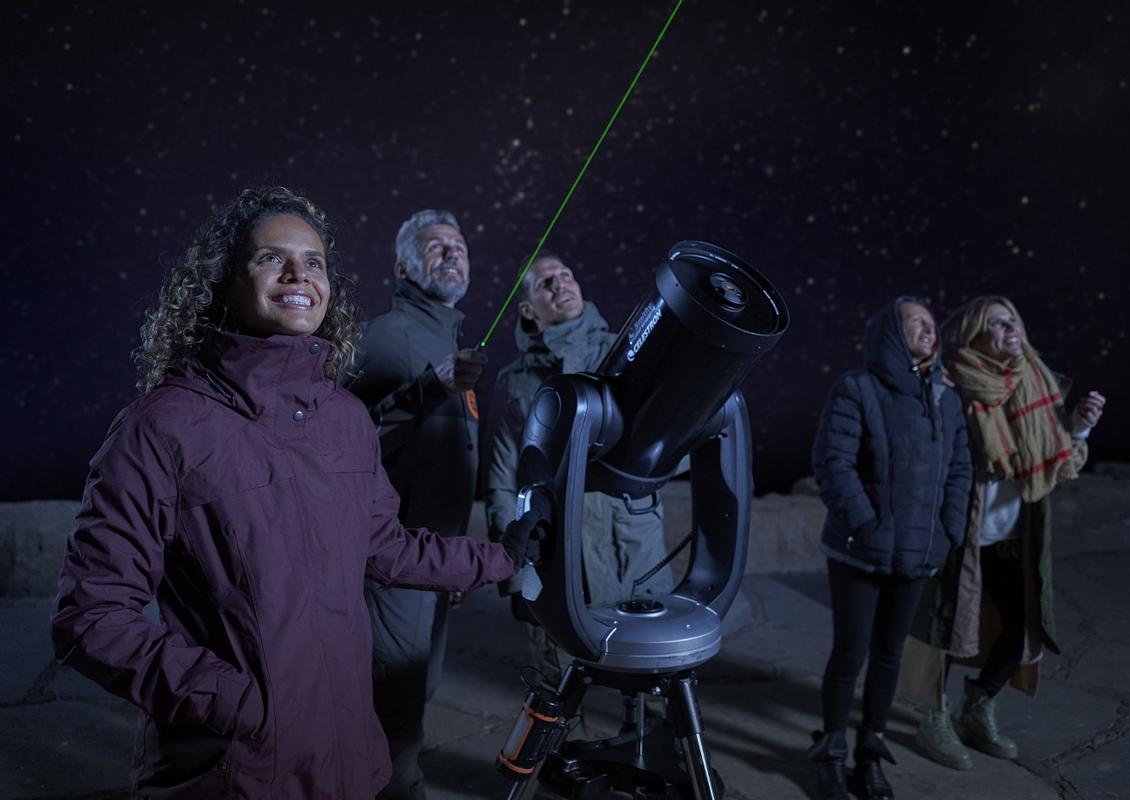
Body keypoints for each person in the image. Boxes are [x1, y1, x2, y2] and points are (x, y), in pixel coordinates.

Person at [50, 187, 542, 799]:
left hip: (347, 757)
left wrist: (503, 556)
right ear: (223, 281)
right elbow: (91, 617)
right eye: (269, 259)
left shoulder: (342, 418)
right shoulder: (164, 426)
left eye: (314, 261)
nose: (297, 274)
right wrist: (239, 704)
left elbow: (386, 548)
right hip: (236, 769)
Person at [907, 295, 1106, 771]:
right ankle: (933, 716)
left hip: (1014, 529)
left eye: (1013, 321)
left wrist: (1078, 427)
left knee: (1022, 624)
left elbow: (1054, 454)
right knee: (946, 625)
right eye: (997, 324)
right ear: (976, 335)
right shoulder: (951, 385)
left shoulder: (1036, 381)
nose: (1010, 330)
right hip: (960, 528)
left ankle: (979, 706)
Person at [341, 209, 489, 800]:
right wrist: (427, 389)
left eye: (459, 244)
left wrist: (454, 554)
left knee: (415, 693)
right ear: (403, 266)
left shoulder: (445, 341)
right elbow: (335, 448)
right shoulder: (385, 336)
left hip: (433, 562)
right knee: (392, 709)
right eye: (435, 246)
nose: (452, 252)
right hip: (391, 565)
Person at [808, 297, 973, 800]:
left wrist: (947, 533)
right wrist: (868, 525)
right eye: (916, 323)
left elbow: (960, 471)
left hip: (918, 555)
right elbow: (833, 463)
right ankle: (831, 754)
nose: (929, 329)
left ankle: (869, 753)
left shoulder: (945, 399)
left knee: (889, 655)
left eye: (931, 323)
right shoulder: (858, 388)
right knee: (850, 653)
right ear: (891, 335)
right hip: (861, 552)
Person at [484, 251, 674, 686]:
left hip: (632, 548)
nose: (559, 285)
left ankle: (659, 751)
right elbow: (501, 474)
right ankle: (554, 756)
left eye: (565, 275)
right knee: (556, 687)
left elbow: (669, 444)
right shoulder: (515, 381)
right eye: (545, 283)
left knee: (651, 682)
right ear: (529, 310)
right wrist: (512, 568)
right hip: (557, 552)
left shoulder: (628, 352)